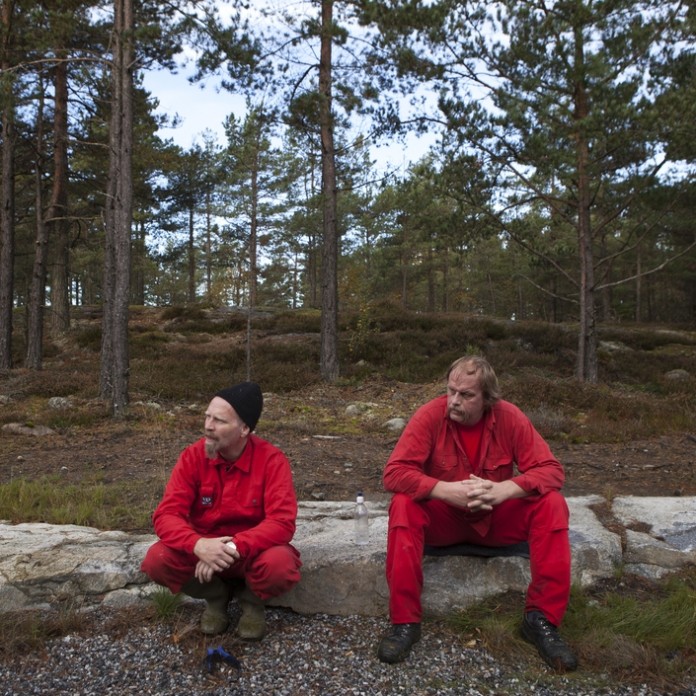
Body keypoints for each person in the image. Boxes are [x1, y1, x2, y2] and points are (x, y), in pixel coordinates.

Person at [377, 355, 577, 672]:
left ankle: (541, 620)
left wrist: (506, 489)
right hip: (447, 522)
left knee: (552, 504)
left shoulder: (509, 417)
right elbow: (394, 473)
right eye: (450, 391)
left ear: (487, 399)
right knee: (403, 504)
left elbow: (552, 471)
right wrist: (443, 490)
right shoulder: (430, 415)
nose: (454, 401)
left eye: (466, 395)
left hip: (496, 520)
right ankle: (405, 622)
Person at [141, 381, 301, 640]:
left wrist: (234, 547)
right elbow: (166, 515)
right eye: (207, 416)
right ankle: (216, 597)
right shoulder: (192, 457)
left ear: (244, 428)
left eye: (219, 421)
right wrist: (197, 545)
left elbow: (282, 522)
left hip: (250, 553)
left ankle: (252, 601)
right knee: (157, 560)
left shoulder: (272, 460)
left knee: (280, 565)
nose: (208, 426)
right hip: (204, 553)